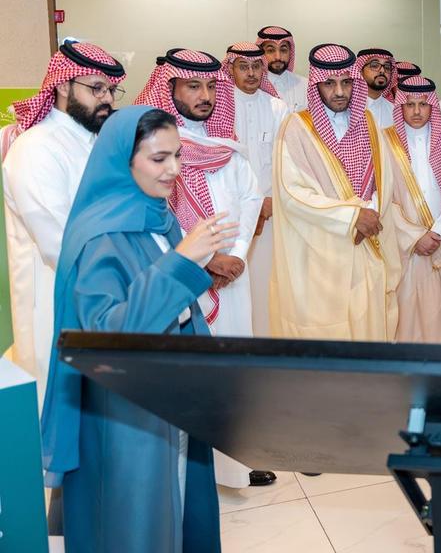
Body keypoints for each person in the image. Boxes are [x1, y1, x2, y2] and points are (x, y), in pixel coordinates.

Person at [40, 105, 238, 553]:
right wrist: (181, 262)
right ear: (123, 162)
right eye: (159, 158)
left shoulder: (156, 216)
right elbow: (106, 334)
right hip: (126, 413)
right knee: (137, 525)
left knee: (179, 510)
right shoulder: (100, 236)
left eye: (177, 155)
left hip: (169, 396)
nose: (174, 170)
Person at [134, 49, 268, 488]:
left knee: (232, 371)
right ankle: (187, 474)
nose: (205, 95)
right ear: (170, 88)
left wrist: (238, 256)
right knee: (190, 374)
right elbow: (157, 213)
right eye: (193, 86)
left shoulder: (227, 146)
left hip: (232, 274)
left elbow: (250, 199)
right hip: (182, 275)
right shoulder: (154, 149)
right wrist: (206, 260)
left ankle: (233, 464)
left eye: (211, 86)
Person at [2, 43, 125, 392]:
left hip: (105, 295)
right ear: (63, 86)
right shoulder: (36, 148)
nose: (107, 99)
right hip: (56, 298)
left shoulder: (99, 143)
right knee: (58, 400)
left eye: (111, 90)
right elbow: (59, 242)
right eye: (96, 88)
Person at [270, 43, 401, 340]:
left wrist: (370, 214)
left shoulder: (369, 123)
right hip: (320, 248)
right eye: (329, 83)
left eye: (346, 82)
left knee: (368, 326)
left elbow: (385, 177)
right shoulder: (295, 127)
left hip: (366, 241)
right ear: (316, 85)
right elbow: (292, 193)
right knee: (326, 331)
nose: (340, 92)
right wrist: (351, 218)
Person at [384, 75, 441, 342]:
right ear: (400, 106)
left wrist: (440, 230)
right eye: (410, 104)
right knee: (405, 315)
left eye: (423, 104)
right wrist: (414, 237)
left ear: (432, 105)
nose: (417, 111)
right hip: (404, 248)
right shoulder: (386, 140)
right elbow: (383, 198)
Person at [226, 42, 290, 337]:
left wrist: (269, 202)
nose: (251, 73)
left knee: (266, 284)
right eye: (243, 67)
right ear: (231, 69)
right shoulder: (221, 105)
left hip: (271, 214)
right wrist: (247, 206)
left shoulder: (277, 107)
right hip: (233, 213)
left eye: (256, 67)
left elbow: (286, 160)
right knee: (235, 286)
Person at [257, 26, 307, 113]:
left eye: (283, 50)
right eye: (270, 50)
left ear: (290, 52)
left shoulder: (305, 86)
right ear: (261, 53)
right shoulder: (252, 86)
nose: (278, 57)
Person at [356, 47, 397, 128]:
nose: (382, 70)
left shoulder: (394, 111)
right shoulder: (348, 108)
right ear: (360, 71)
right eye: (374, 65)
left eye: (387, 67)